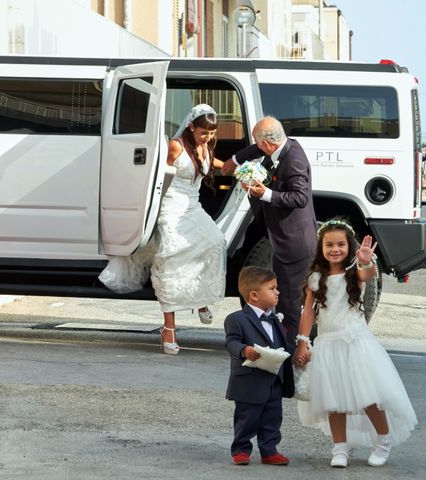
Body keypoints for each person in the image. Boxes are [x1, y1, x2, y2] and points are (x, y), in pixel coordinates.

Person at [99, 104, 227, 354]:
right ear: (191, 127)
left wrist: (233, 167)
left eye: (211, 133)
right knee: (172, 258)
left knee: (216, 242)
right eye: (204, 133)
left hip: (193, 206)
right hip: (171, 207)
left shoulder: (206, 146)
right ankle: (169, 329)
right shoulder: (176, 146)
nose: (208, 137)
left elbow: (211, 162)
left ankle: (201, 300)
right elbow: (157, 175)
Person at [294, 219, 417, 468]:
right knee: (333, 400)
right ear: (321, 247)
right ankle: (340, 447)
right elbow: (308, 313)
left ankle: (383, 440)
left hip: (356, 344)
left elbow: (367, 273)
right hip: (328, 344)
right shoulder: (316, 277)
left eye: (341, 244)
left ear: (349, 247)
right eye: (329, 244)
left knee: (368, 396)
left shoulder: (354, 274)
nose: (335, 249)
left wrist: (365, 260)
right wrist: (303, 342)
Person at [225, 116, 316, 344]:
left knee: (289, 302)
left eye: (258, 143)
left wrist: (264, 193)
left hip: (293, 244)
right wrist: (234, 160)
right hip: (282, 238)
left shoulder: (293, 159)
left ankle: (293, 351)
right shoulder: (284, 145)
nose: (256, 147)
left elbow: (300, 197)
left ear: (267, 144)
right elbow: (254, 149)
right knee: (285, 298)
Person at [224, 266, 294, 466]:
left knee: (273, 418)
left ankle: (269, 450)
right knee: (247, 417)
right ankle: (241, 449)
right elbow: (231, 342)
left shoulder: (275, 319)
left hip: (274, 380)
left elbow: (283, 345)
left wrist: (297, 354)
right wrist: (244, 350)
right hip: (249, 380)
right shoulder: (237, 319)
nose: (277, 292)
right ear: (254, 295)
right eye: (272, 288)